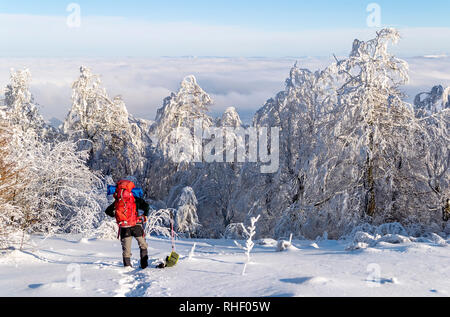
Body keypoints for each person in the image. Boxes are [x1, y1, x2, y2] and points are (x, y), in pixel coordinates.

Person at [105, 179, 150, 269]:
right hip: (136, 225)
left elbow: (108, 211)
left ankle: (127, 267)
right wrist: (144, 216)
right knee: (143, 245)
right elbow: (146, 206)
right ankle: (144, 266)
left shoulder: (118, 200)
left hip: (124, 227)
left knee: (126, 249)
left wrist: (119, 215)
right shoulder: (135, 199)